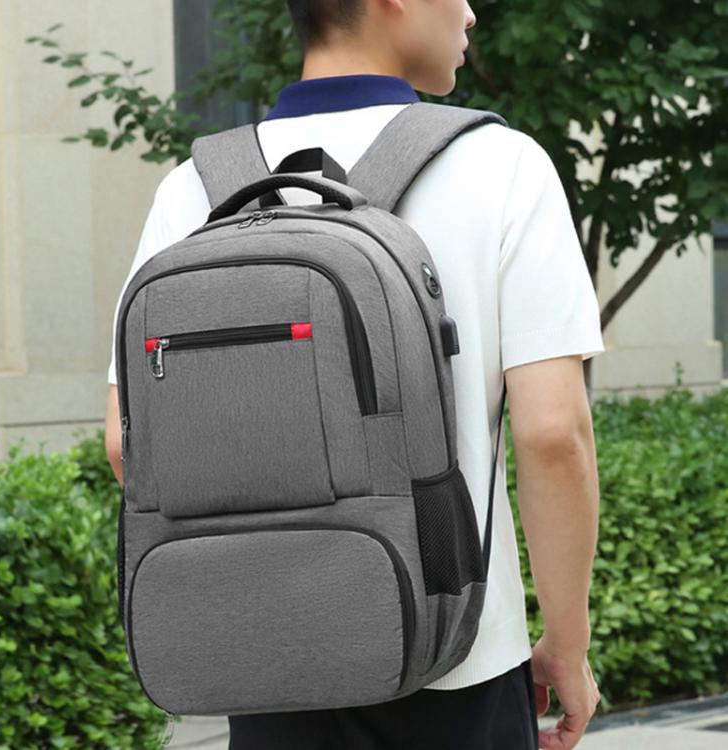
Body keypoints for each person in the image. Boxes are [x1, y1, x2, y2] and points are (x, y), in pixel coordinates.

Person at [105, 1, 604, 747]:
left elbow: (127, 445)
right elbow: (553, 435)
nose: (471, 12)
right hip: (455, 660)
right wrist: (567, 642)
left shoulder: (194, 188)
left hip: (265, 663)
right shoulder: (502, 166)